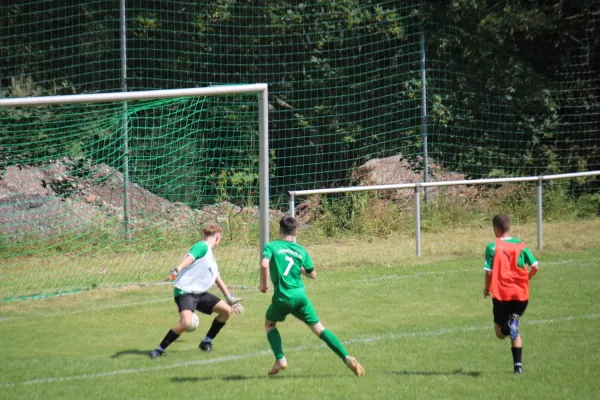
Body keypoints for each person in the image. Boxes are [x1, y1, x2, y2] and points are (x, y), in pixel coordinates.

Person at [259, 215, 365, 377]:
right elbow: (312, 275)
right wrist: (298, 268)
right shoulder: (301, 251)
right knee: (319, 329)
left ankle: (280, 359)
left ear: (280, 230)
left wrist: (264, 285)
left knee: (269, 324)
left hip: (283, 297)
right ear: (295, 233)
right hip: (300, 296)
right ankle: (346, 356)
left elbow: (264, 264)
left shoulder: (271, 246)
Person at [149, 224, 244, 358]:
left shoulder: (211, 258)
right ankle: (159, 350)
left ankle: (206, 342)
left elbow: (217, 278)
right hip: (185, 292)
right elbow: (190, 257)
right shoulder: (202, 246)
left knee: (226, 311)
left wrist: (230, 298)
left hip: (200, 294)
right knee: (186, 323)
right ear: (217, 238)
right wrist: (177, 269)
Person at [483, 214, 539, 374]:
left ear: (496, 230)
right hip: (521, 295)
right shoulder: (521, 245)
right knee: (516, 326)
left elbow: (488, 272)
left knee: (500, 333)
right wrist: (527, 278)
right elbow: (535, 265)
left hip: (502, 294)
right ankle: (518, 367)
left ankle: (508, 327)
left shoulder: (492, 247)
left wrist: (486, 288)